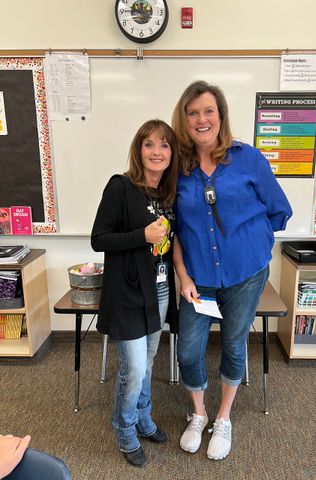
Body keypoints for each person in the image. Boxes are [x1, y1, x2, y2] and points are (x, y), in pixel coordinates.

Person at [172, 80, 292, 461]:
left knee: (233, 344)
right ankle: (199, 413)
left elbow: (278, 209)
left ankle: (223, 417)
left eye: (209, 111)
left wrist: (250, 241)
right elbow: (173, 226)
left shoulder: (249, 158)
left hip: (245, 274)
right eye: (193, 113)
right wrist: (184, 276)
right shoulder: (177, 166)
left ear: (220, 116)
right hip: (197, 279)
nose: (201, 119)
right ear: (184, 119)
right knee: (188, 350)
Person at [91, 119, 179, 468]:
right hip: (128, 296)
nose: (157, 152)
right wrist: (140, 237)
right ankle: (125, 431)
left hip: (158, 294)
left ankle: (144, 419)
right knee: (134, 371)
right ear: (138, 150)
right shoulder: (120, 187)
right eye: (149, 144)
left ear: (172, 154)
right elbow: (99, 239)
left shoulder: (166, 196)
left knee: (148, 363)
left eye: (164, 145)